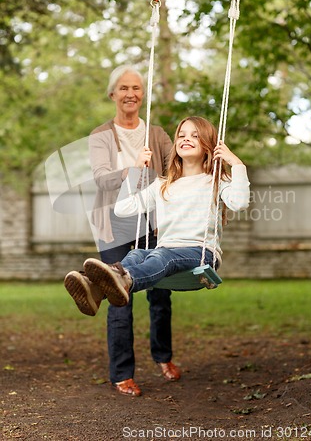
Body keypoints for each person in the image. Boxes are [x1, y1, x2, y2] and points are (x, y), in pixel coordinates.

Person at [75, 115, 250, 338]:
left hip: (200, 253)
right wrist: (136, 170)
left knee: (159, 257)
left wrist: (236, 163)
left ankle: (124, 279)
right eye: (182, 135)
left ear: (209, 145)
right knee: (138, 253)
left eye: (195, 136)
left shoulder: (216, 180)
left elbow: (240, 202)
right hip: (166, 251)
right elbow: (122, 208)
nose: (186, 139)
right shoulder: (163, 185)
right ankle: (96, 289)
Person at [64, 65, 180, 397]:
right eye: (123, 88)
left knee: (160, 295)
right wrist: (134, 169)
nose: (131, 93)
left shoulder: (155, 134)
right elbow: (101, 178)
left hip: (153, 223)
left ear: (143, 94)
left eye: (137, 88)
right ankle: (122, 374)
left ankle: (163, 357)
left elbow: (176, 167)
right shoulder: (101, 134)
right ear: (112, 93)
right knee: (120, 299)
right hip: (114, 226)